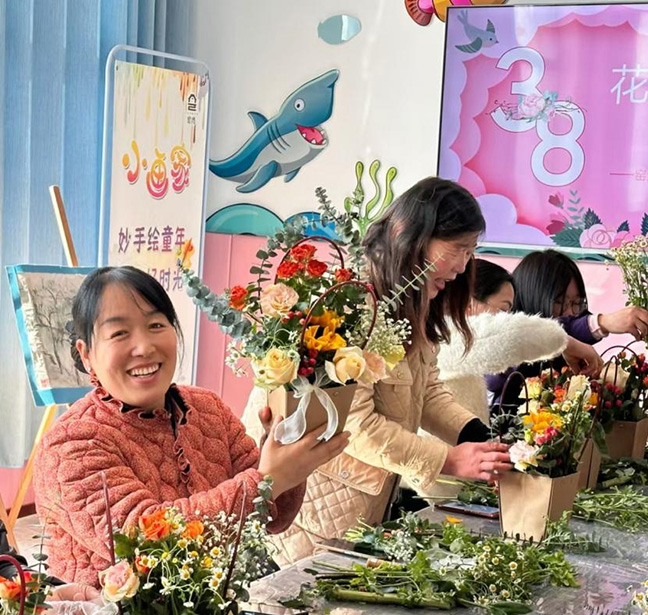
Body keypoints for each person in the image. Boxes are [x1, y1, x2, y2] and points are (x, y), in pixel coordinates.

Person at [34, 267, 348, 587]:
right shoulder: (70, 445)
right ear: (86, 354)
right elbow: (151, 544)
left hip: (220, 604)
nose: (144, 347)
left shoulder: (207, 407)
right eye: (119, 333)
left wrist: (284, 451)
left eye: (156, 325)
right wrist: (267, 480)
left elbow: (274, 518)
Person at [259, 177, 514, 563]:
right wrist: (448, 460)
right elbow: (355, 425)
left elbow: (427, 391)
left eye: (471, 252)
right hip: (313, 519)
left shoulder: (412, 302)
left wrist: (479, 437)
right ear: (413, 237)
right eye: (458, 249)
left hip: (365, 510)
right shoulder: (351, 304)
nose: (463, 266)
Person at [434, 258, 601, 424]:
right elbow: (517, 336)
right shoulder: (448, 338)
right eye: (503, 311)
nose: (507, 321)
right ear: (469, 304)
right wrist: (568, 341)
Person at [489, 249, 648, 410]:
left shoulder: (572, 339)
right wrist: (602, 323)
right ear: (531, 297)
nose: (570, 313)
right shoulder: (503, 337)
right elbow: (560, 327)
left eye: (576, 303)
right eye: (560, 302)